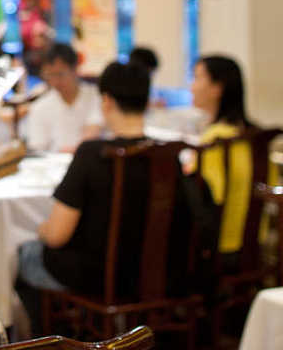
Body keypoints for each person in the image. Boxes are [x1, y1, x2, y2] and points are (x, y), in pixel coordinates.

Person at [15, 62, 190, 334]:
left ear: (106, 101)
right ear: (146, 101)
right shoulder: (168, 156)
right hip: (155, 275)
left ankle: (61, 339)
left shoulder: (92, 154)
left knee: (26, 255)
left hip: (98, 276)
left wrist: (42, 230)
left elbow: (57, 235)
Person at [190, 55, 275, 256]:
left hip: (220, 246)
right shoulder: (256, 137)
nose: (192, 85)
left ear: (217, 88)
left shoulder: (215, 139)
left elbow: (208, 197)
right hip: (256, 242)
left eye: (197, 77)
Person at [25, 42, 103, 153]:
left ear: (75, 69)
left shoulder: (96, 96)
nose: (55, 81)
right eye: (49, 75)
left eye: (60, 74)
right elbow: (37, 148)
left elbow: (93, 131)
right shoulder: (39, 107)